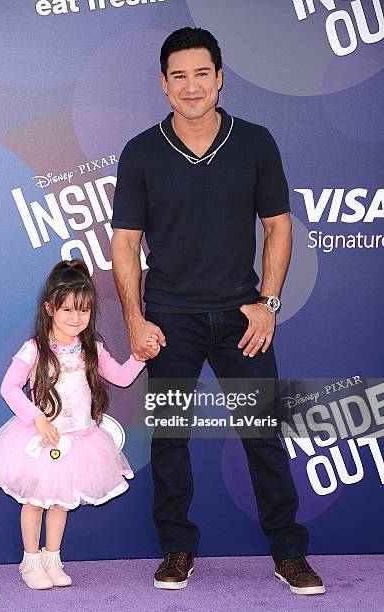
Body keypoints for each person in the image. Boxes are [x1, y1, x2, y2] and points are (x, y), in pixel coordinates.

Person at [111, 27, 325, 595]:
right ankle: (177, 549)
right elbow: (125, 242)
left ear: (220, 77)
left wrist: (268, 305)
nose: (191, 85)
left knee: (263, 436)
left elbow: (278, 228)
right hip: (169, 320)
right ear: (163, 84)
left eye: (201, 73)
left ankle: (289, 553)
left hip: (241, 318)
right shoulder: (141, 151)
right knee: (170, 439)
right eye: (178, 75)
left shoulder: (255, 143)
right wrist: (135, 318)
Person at [0, 259, 155, 590]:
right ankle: (30, 561)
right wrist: (37, 418)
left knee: (60, 502)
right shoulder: (35, 350)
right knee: (34, 502)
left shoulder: (92, 349)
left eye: (83, 311)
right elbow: (9, 388)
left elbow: (119, 376)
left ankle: (52, 557)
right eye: (68, 310)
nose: (76, 319)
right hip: (43, 439)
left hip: (81, 440)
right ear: (49, 308)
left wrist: (140, 358)